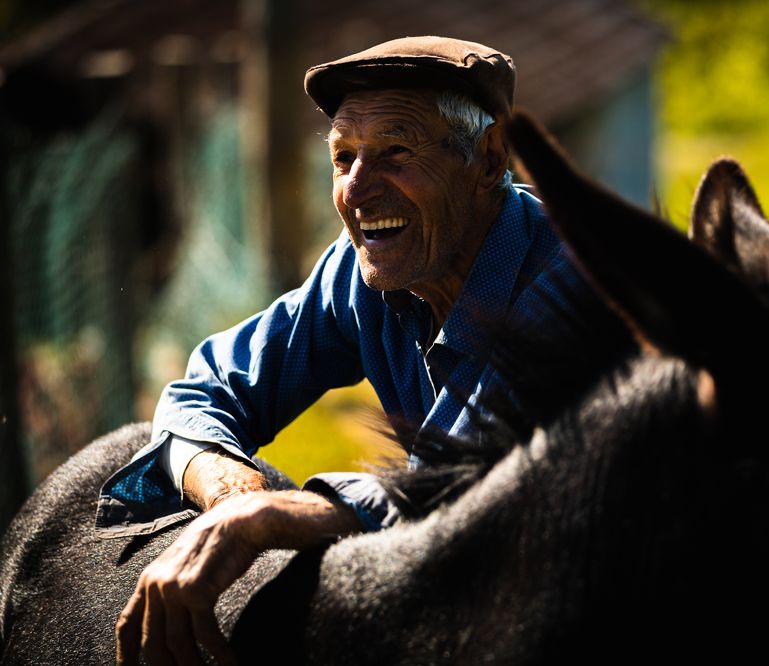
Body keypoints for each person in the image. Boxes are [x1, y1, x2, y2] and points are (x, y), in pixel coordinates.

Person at [105, 36, 581, 665]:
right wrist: (233, 500)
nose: (356, 191)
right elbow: (206, 390)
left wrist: (274, 519)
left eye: (394, 152)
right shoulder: (371, 269)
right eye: (343, 157)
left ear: (489, 158)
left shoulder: (565, 293)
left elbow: (459, 493)